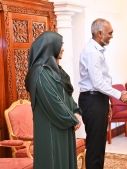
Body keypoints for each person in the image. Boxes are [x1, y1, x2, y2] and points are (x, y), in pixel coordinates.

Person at [25, 31, 82, 169]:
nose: (62, 48)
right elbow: (53, 102)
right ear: (51, 46)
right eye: (61, 44)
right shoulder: (40, 73)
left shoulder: (54, 70)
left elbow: (67, 95)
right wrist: (73, 119)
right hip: (51, 130)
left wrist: (76, 111)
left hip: (64, 126)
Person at [78, 18, 127, 169]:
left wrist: (106, 102)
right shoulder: (92, 52)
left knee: (100, 143)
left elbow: (101, 83)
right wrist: (120, 95)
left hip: (98, 99)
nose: (112, 36)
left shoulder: (97, 50)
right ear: (100, 33)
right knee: (95, 145)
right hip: (92, 100)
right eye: (110, 33)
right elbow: (98, 83)